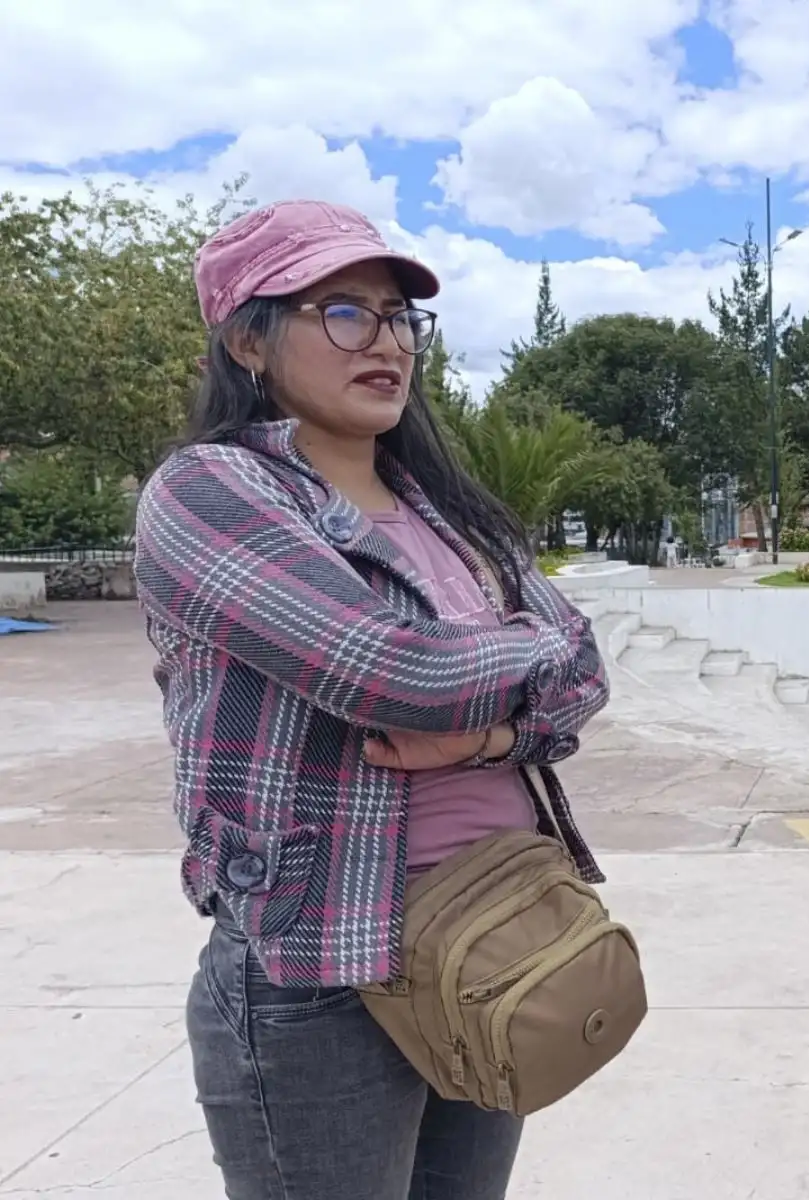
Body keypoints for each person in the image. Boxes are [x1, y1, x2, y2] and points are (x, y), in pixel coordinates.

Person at [134, 199, 611, 1199]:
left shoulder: (443, 510)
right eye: (343, 311)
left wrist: (485, 737)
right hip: (326, 968)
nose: (385, 339)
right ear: (248, 338)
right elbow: (394, 674)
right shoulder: (208, 493)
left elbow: (589, 671)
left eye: (398, 316)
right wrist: (530, 655)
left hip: (495, 937)